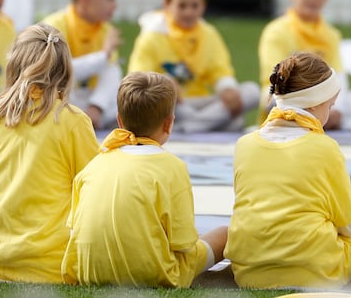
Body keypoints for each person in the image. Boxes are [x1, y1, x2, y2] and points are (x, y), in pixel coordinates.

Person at [228, 53, 351, 289]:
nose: (330, 113)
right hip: (314, 270)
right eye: (330, 105)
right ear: (315, 103)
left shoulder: (245, 144)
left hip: (249, 273)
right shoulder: (324, 147)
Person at [0, 24, 102, 282]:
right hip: (50, 266)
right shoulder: (72, 121)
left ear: (13, 65)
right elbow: (95, 196)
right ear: (65, 71)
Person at [62, 71, 227, 286]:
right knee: (225, 234)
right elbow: (183, 243)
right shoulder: (172, 167)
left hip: (88, 272)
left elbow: (75, 230)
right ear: (169, 124)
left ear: (120, 120)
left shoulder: (94, 165)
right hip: (153, 276)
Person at [127, 0, 261, 132]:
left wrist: (227, 89)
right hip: (169, 105)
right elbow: (137, 79)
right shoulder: (152, 36)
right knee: (232, 121)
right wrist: (165, 85)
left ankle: (185, 128)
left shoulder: (208, 33)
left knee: (251, 91)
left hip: (201, 102)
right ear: (167, 4)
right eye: (182, 6)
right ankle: (209, 124)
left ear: (204, 6)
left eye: (195, 6)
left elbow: (220, 70)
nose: (189, 12)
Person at [41, 0, 123, 128]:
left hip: (93, 108)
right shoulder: (53, 26)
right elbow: (56, 72)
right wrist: (103, 56)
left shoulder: (106, 30)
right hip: (61, 101)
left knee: (113, 69)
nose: (114, 6)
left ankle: (95, 112)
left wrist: (96, 107)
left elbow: (110, 76)